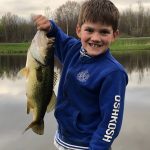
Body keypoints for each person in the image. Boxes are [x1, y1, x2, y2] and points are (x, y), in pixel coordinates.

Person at [34, 0, 128, 149]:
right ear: (78, 30)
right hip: (62, 138)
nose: (95, 38)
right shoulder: (72, 49)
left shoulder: (114, 73)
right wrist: (49, 27)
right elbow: (58, 37)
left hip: (87, 146)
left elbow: (111, 121)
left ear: (114, 35)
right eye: (89, 30)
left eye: (104, 32)